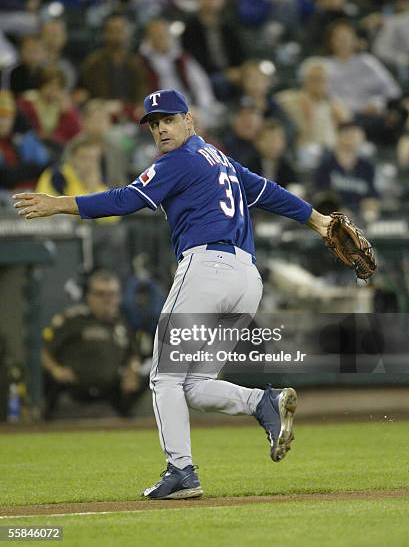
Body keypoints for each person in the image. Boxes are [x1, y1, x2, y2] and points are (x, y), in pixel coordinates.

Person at [14, 88, 335, 500]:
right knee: (195, 384)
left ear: (189, 120)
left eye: (168, 119)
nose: (161, 128)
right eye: (154, 123)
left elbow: (126, 198)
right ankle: (263, 402)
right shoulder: (219, 159)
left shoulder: (178, 161)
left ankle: (181, 470)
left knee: (163, 376)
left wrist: (60, 203)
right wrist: (318, 220)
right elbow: (269, 192)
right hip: (245, 280)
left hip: (207, 269)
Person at [41, 270, 147, 420]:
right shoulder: (74, 320)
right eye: (101, 294)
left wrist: (132, 370)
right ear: (89, 297)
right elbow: (43, 351)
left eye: (112, 294)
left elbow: (133, 353)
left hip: (109, 401)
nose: (107, 300)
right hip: (72, 399)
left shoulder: (122, 323)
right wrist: (56, 370)